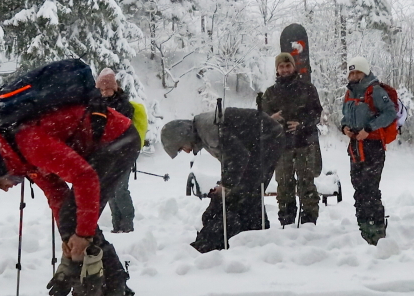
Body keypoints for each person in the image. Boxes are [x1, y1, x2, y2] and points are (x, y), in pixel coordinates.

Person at [0, 90, 141, 296]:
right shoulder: (20, 153)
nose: (7, 187)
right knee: (74, 219)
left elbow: (84, 177)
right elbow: (57, 195)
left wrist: (83, 235)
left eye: (0, 182)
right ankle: (116, 295)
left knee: (79, 223)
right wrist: (69, 246)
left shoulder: (30, 144)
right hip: (111, 142)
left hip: (117, 140)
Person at [160, 107, 283, 252]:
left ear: (183, 135)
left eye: (181, 147)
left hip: (266, 142)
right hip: (263, 140)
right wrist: (225, 185)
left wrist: (226, 185)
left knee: (245, 192)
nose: (186, 151)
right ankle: (252, 235)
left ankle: (248, 237)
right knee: (245, 192)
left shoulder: (209, 131)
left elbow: (238, 157)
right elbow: (231, 159)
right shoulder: (203, 129)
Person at [259, 52, 323, 226]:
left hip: (305, 144)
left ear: (294, 67)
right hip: (281, 146)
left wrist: (302, 124)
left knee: (306, 184)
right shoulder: (270, 93)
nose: (285, 69)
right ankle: (286, 221)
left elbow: (317, 113)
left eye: (288, 66)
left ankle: (309, 222)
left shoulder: (307, 89)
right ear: (277, 70)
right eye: (281, 67)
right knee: (284, 185)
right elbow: (261, 119)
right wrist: (271, 119)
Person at [338, 56, 393, 245]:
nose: (354, 75)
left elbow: (390, 113)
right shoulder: (349, 93)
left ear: (365, 72)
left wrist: (368, 130)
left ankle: (377, 230)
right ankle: (363, 228)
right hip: (355, 147)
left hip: (373, 147)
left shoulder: (375, 91)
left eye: (357, 72)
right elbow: (345, 115)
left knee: (370, 189)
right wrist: (344, 127)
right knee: (359, 189)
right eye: (351, 72)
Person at [94, 68, 140, 233]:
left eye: (108, 88)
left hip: (124, 153)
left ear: (115, 88)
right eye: (102, 89)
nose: (105, 92)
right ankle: (116, 226)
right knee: (110, 190)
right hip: (106, 155)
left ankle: (127, 225)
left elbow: (121, 129)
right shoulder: (96, 105)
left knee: (120, 188)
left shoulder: (124, 105)